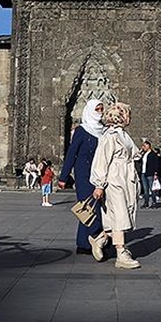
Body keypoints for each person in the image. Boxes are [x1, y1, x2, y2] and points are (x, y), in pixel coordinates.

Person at [91, 102, 141, 269]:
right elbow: (101, 160)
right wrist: (99, 185)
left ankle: (100, 239)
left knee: (124, 212)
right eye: (127, 114)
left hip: (126, 178)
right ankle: (121, 253)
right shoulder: (109, 136)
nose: (130, 118)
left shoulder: (123, 135)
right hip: (115, 179)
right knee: (120, 215)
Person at [57, 100, 108, 259]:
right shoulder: (82, 131)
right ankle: (98, 235)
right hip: (84, 174)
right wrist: (64, 176)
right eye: (97, 109)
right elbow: (72, 153)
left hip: (99, 173)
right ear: (90, 111)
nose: (100, 112)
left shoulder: (104, 131)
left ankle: (83, 243)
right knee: (90, 205)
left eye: (102, 109)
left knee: (90, 207)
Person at [136, 140, 161, 208]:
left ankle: (154, 202)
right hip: (143, 173)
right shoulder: (144, 154)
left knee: (152, 188)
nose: (143, 147)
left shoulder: (153, 154)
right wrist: (140, 152)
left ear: (148, 146)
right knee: (145, 189)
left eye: (144, 146)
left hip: (150, 173)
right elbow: (137, 160)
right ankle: (146, 203)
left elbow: (156, 164)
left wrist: (155, 173)